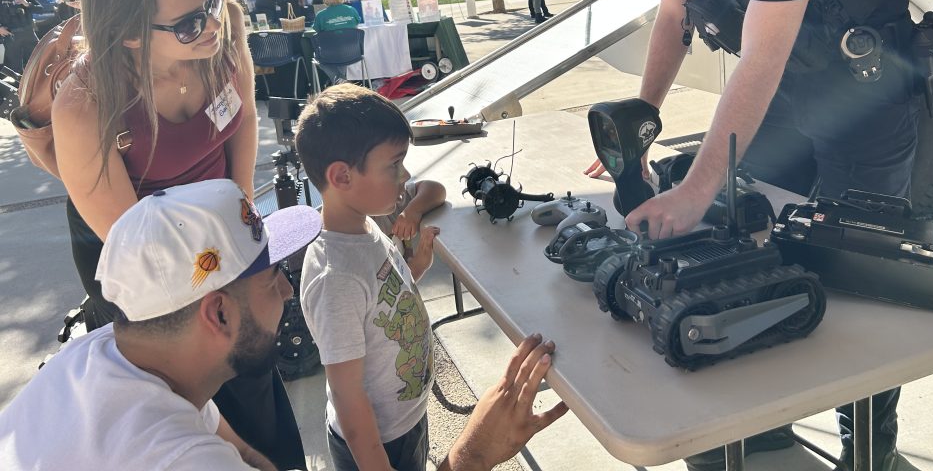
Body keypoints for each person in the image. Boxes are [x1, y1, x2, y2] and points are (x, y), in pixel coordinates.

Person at [583, 0, 919, 471]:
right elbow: (674, 11)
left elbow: (762, 50)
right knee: (745, 239)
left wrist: (693, 187)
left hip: (868, 100)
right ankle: (765, 436)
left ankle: (870, 450)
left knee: (860, 289)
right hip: (793, 99)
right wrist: (641, 118)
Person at [0, 179, 566, 471]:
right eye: (273, 278)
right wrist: (473, 455)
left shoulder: (107, 351)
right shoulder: (176, 460)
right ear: (217, 313)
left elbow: (228, 439)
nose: (289, 289)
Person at [50, 0, 305, 470]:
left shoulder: (221, 29)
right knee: (188, 391)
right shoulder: (85, 104)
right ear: (128, 35)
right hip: (142, 249)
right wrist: (224, 276)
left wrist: (240, 222)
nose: (213, 24)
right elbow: (142, 251)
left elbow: (243, 120)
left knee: (254, 365)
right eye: (190, 22)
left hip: (219, 215)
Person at [294, 84, 449, 471]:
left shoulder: (364, 225)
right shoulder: (335, 279)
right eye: (394, 164)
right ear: (343, 176)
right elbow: (349, 400)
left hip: (405, 420)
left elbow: (379, 301)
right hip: (377, 443)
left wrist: (416, 270)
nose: (406, 174)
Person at [312, 0, 363, 86]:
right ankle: (342, 83)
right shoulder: (351, 10)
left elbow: (318, 32)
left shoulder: (321, 15)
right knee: (340, 54)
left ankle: (341, 83)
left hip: (331, 53)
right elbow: (356, 24)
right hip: (352, 51)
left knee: (318, 57)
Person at [0, 0, 43, 72]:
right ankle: (18, 86)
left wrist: (27, 4)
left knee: (37, 61)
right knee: (15, 67)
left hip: (29, 34)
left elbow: (40, 9)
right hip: (11, 36)